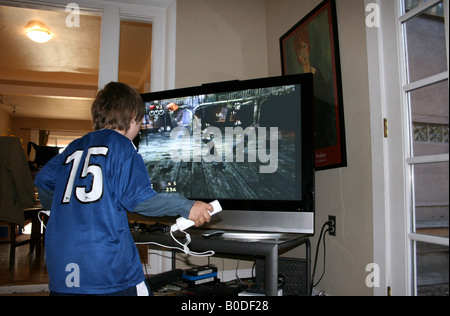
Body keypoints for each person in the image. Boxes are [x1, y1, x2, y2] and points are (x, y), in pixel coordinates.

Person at [34, 82, 213, 296]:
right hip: (106, 268)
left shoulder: (73, 147)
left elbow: (43, 180)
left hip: (61, 265)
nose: (139, 129)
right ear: (132, 116)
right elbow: (140, 200)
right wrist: (187, 206)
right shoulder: (122, 146)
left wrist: (59, 211)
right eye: (140, 122)